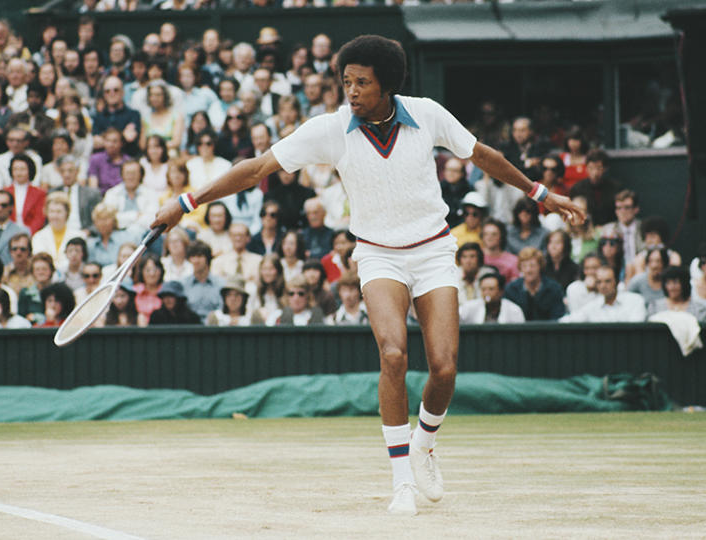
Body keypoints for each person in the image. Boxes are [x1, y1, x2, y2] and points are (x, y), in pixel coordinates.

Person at [151, 34, 582, 515]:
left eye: (361, 83)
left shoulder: (428, 114)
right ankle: (402, 480)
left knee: (444, 368)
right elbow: (256, 169)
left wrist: (543, 194)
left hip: (434, 250)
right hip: (378, 256)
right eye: (346, 81)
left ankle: (424, 445)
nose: (350, 91)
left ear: (388, 86)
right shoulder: (329, 129)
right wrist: (185, 202)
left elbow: (483, 156)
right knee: (393, 354)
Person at [562, 265, 646, 323]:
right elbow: (570, 320)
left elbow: (636, 328)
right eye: (599, 282)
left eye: (607, 281)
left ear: (616, 282)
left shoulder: (635, 301)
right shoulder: (593, 306)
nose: (603, 286)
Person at [503, 247, 565, 321]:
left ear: (540, 266)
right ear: (520, 268)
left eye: (532, 266)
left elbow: (558, 317)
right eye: (524, 266)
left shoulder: (554, 289)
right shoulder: (511, 290)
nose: (528, 270)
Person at [568, 149, 620, 226]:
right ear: (586, 169)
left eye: (599, 168)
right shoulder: (577, 189)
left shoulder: (615, 187)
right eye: (591, 168)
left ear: (605, 169)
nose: (595, 173)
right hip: (585, 228)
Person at [459, 272, 525, 324]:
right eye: (483, 289)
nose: (486, 293)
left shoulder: (514, 310)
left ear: (501, 291)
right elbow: (457, 318)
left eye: (491, 289)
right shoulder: (470, 306)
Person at [6, 153, 46, 235]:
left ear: (30, 170)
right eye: (15, 169)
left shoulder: (40, 193)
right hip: (8, 233)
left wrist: (28, 233)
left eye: (22, 169)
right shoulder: (4, 192)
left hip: (31, 233)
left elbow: (39, 218)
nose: (18, 173)